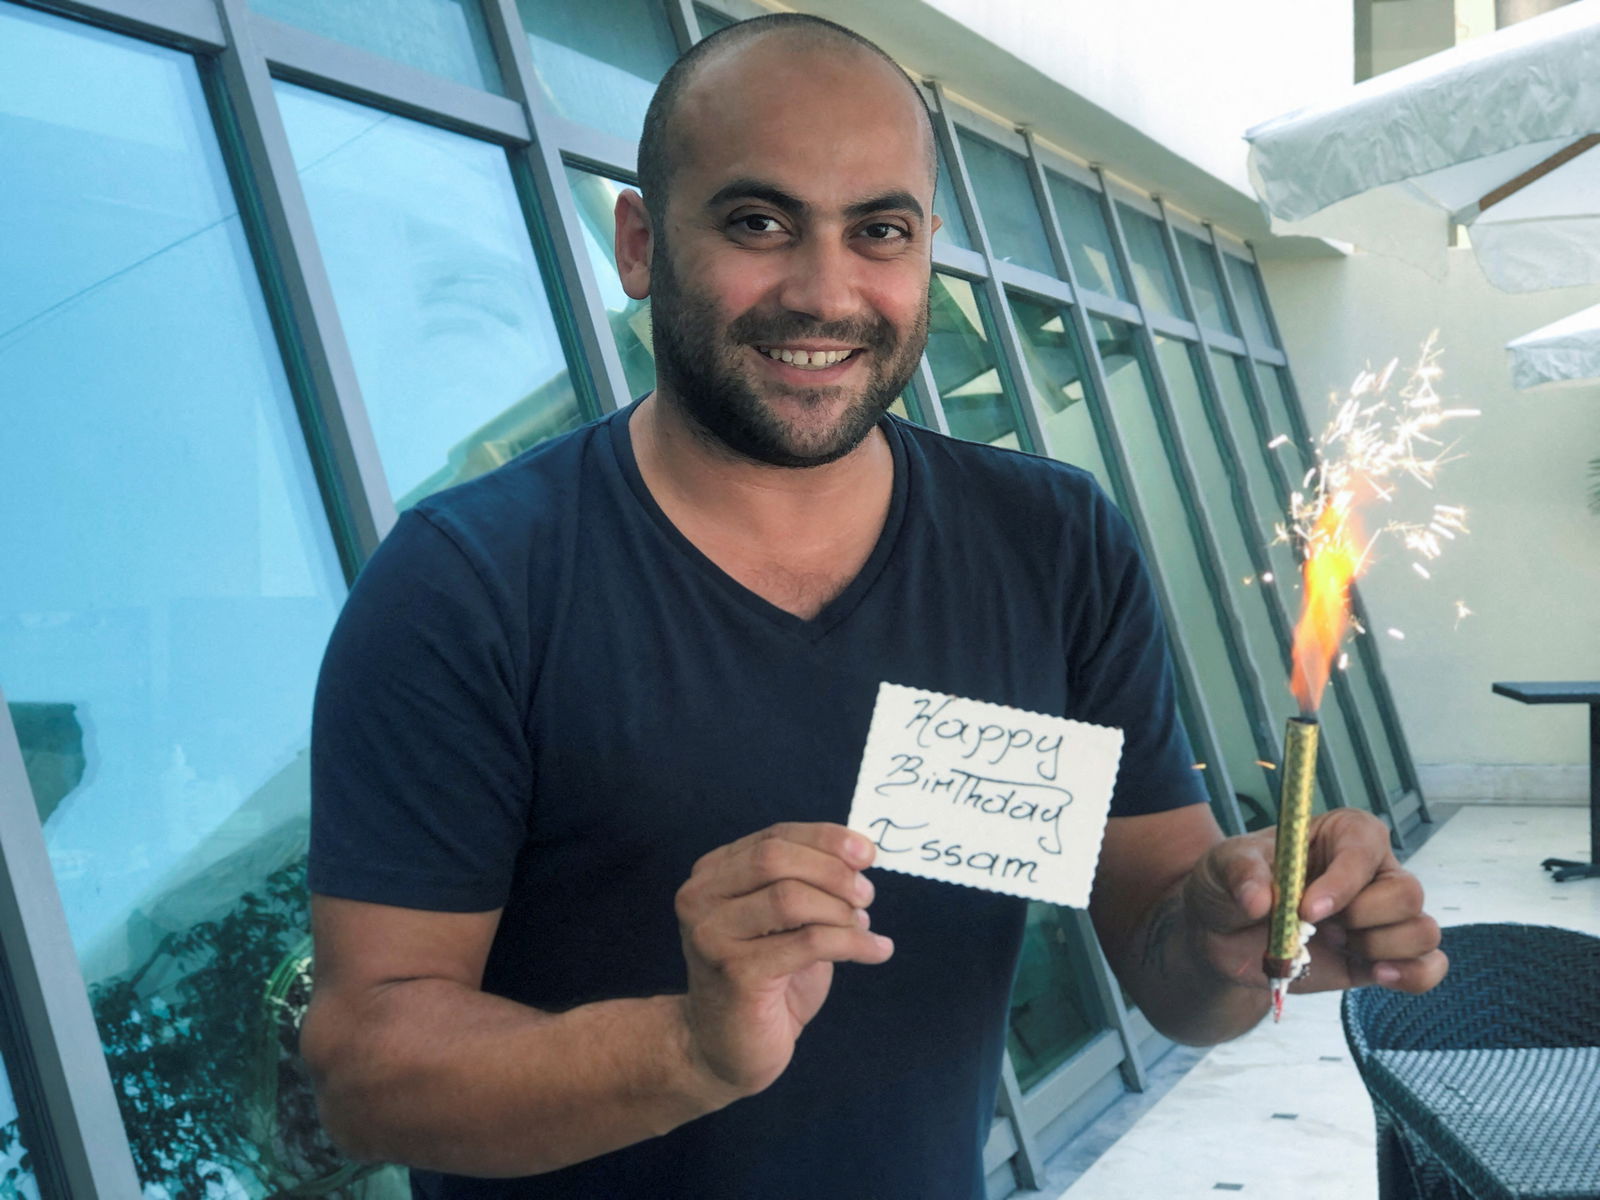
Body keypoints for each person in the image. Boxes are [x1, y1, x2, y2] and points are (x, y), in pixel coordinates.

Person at [301, 14, 1447, 1200]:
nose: (823, 291)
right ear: (639, 245)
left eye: (879, 232)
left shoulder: (1050, 543)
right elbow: (366, 1068)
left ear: (927, 250)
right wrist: (687, 1048)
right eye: (758, 222)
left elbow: (1166, 959)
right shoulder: (469, 582)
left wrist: (1227, 934)